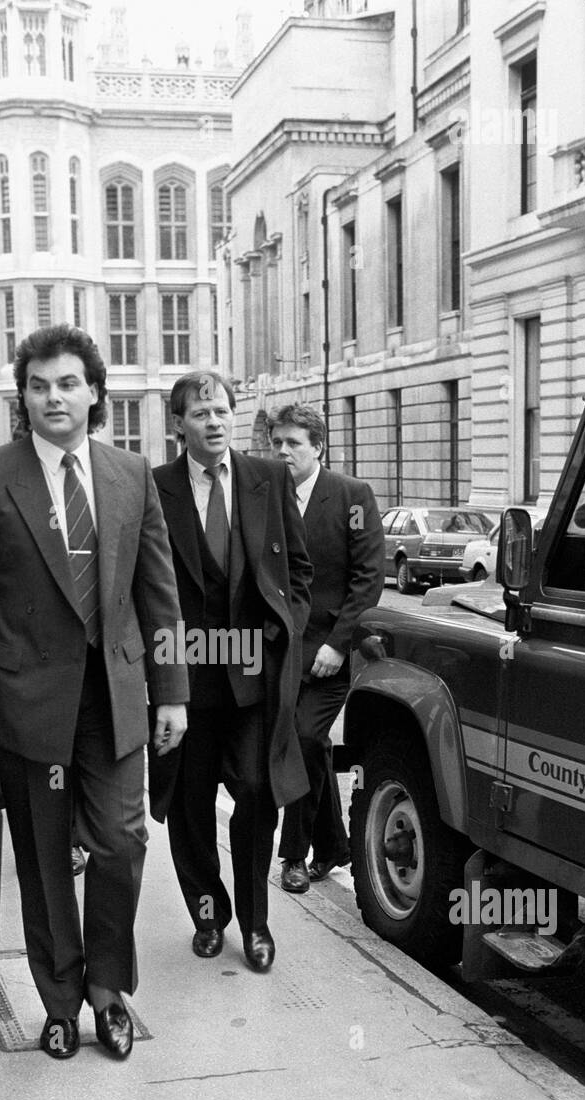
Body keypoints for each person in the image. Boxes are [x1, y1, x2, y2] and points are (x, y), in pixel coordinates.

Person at [0, 324, 188, 1062]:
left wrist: (171, 691)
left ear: (94, 394)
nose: (55, 397)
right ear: (24, 397)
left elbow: (161, 595)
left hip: (114, 702)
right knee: (46, 863)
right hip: (26, 708)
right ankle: (59, 1002)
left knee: (120, 842)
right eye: (41, 385)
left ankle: (109, 991)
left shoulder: (131, 474)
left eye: (69, 383)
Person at [151, 371, 312, 972]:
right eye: (200, 414)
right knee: (189, 805)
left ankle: (256, 922)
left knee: (254, 790)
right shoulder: (156, 486)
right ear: (179, 425)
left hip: (250, 666)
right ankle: (207, 912)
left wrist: (286, 630)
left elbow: (299, 569)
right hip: (183, 673)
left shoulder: (267, 479)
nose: (214, 422)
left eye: (222, 411)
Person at [270, 404, 384, 892]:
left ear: (318, 447)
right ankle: (334, 844)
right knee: (310, 748)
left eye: (293, 443)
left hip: (328, 654)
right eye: (277, 443)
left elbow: (369, 577)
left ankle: (293, 855)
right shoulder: (265, 496)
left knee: (303, 739)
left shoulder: (351, 496)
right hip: (277, 652)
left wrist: (339, 644)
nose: (283, 451)